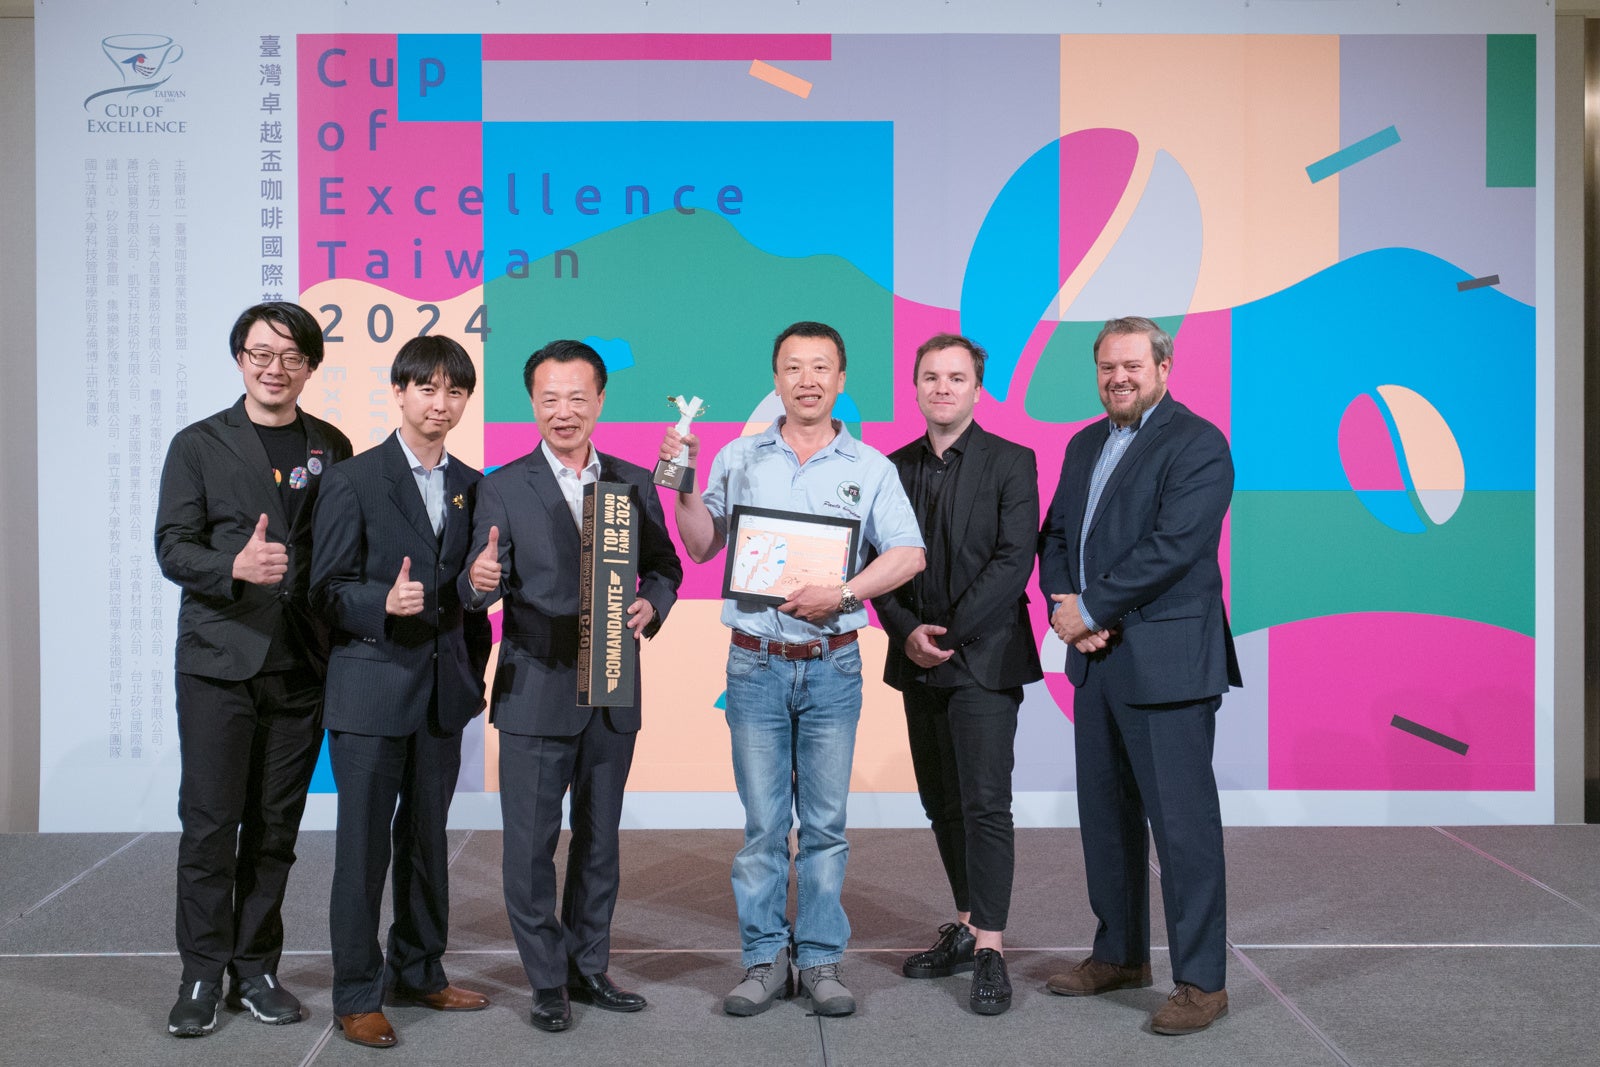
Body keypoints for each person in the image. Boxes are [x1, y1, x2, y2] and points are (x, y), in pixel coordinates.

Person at [662, 321, 925, 1018]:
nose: (807, 380)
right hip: (756, 664)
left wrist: (843, 595)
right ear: (775, 378)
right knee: (763, 826)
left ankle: (820, 959)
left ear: (841, 379)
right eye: (793, 367)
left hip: (833, 665)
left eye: (821, 367)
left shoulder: (869, 467)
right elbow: (700, 545)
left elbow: (908, 553)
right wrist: (682, 482)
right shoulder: (739, 457)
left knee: (826, 824)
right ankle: (763, 958)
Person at [462, 339, 682, 1033]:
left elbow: (665, 566)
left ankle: (589, 966)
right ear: (532, 403)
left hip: (613, 688)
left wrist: (652, 603)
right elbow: (477, 582)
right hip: (536, 688)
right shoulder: (502, 485)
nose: (564, 411)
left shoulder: (632, 482)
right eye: (549, 398)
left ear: (601, 401)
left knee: (599, 841)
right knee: (530, 847)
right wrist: (478, 583)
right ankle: (546, 979)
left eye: (577, 397)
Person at [1037, 316, 1241, 1036]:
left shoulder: (1198, 443)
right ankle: (1120, 955)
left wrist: (1092, 607)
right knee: (1107, 820)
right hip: (1096, 658)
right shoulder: (1084, 443)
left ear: (1163, 367)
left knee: (1183, 829)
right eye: (1107, 367)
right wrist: (1066, 604)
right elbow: (1057, 535)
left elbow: (1175, 546)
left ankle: (1203, 983)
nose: (1118, 377)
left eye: (1131, 365)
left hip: (1167, 664)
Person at [154, 302, 353, 1037]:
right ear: (239, 358)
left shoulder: (331, 445)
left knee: (276, 827)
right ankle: (202, 973)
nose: (275, 368)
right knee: (211, 826)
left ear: (310, 366)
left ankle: (257, 968)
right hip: (219, 661)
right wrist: (232, 566)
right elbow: (172, 545)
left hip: (301, 662)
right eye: (260, 353)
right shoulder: (199, 444)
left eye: (291, 356)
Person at [309, 335, 494, 1048]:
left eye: (455, 391)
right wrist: (380, 603)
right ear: (400, 391)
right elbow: (325, 590)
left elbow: (471, 593)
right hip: (370, 689)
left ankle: (419, 969)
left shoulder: (473, 484)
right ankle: (357, 993)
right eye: (427, 388)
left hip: (441, 694)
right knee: (362, 850)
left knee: (426, 842)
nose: (440, 403)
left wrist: (480, 588)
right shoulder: (352, 479)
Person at [870, 333, 1042, 1016]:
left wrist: (945, 633)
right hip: (915, 655)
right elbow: (873, 561)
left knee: (984, 802)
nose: (943, 387)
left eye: (956, 377)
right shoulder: (889, 468)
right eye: (931, 377)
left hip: (985, 657)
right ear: (915, 386)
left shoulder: (1013, 461)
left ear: (978, 388)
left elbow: (1013, 561)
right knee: (940, 800)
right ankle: (967, 924)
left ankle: (992, 945)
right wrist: (905, 629)